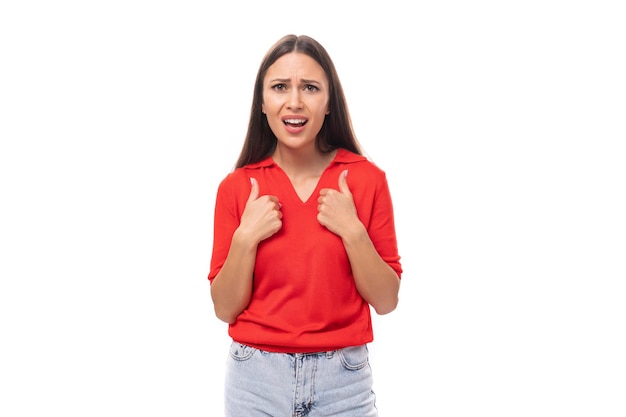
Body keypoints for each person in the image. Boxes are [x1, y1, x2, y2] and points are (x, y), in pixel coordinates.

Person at [208, 34, 402, 417]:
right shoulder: (236, 188)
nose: (294, 102)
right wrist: (245, 238)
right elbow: (225, 308)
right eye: (280, 87)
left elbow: (386, 300)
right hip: (255, 381)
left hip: (343, 382)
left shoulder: (366, 180)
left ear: (329, 103)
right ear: (262, 103)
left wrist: (352, 231)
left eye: (310, 88)